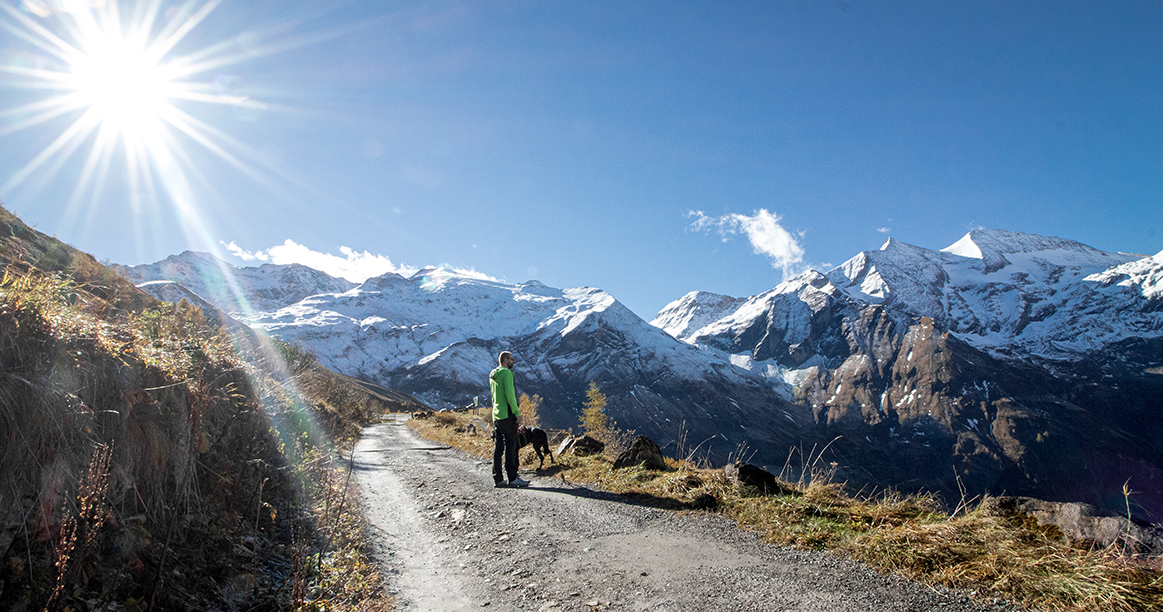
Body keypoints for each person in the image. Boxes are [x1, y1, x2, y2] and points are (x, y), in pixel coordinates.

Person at [490, 351, 530, 488]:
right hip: (507, 414)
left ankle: (498, 478)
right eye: (512, 359)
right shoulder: (506, 373)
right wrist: (517, 413)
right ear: (506, 360)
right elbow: (510, 395)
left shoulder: (494, 375)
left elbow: (494, 396)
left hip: (496, 414)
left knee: (498, 447)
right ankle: (512, 477)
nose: (514, 361)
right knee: (511, 446)